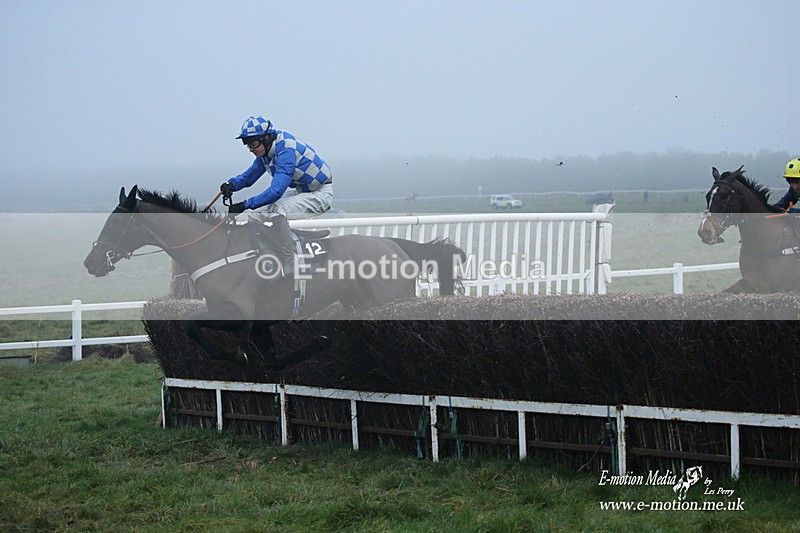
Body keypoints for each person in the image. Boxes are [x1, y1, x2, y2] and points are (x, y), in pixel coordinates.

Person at [220, 115, 334, 276]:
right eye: (247, 145)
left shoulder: (286, 151)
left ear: (266, 138)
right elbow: (250, 176)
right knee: (254, 216)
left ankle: (290, 261)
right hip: (303, 191)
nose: (251, 149)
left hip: (321, 194)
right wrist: (232, 185)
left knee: (276, 209)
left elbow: (275, 192)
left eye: (253, 144)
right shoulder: (267, 151)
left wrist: (244, 204)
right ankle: (266, 255)